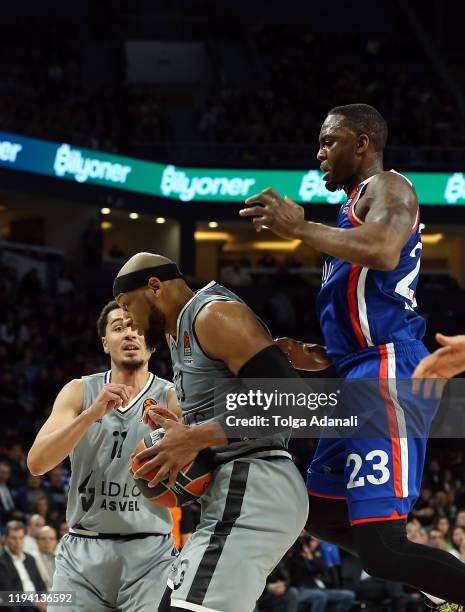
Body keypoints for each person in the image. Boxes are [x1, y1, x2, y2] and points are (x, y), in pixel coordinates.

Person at [240, 103, 465, 608]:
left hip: (386, 370)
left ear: (362, 143)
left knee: (383, 552)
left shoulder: (388, 187)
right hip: (356, 371)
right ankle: (441, 582)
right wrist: (321, 354)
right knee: (317, 509)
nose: (319, 153)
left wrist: (298, 228)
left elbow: (385, 250)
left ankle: (445, 587)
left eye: (328, 141)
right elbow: (370, 300)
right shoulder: (348, 218)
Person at [113, 252, 309, 612]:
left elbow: (291, 403)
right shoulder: (179, 334)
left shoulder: (213, 316)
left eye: (127, 306)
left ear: (154, 287)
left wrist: (195, 436)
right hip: (233, 493)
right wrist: (182, 428)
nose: (129, 323)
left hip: (255, 485)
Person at [27, 299, 179, 611]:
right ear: (105, 343)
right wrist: (91, 414)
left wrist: (178, 434)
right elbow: (37, 463)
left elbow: (199, 469)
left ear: (151, 344)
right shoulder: (79, 392)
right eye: (119, 327)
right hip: (82, 554)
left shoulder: (171, 397)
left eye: (137, 328)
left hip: (150, 555)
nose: (129, 334)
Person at [0, 520, 46, 612]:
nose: (18, 542)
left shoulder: (30, 559)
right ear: (5, 539)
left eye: (21, 538)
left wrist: (43, 600)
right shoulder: (2, 562)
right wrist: (34, 603)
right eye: (13, 538)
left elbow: (40, 584)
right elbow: (9, 594)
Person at [32, 526, 57, 591]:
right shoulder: (32, 559)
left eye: (51, 538)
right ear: (37, 541)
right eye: (43, 539)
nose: (47, 542)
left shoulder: (61, 559)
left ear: (56, 541)